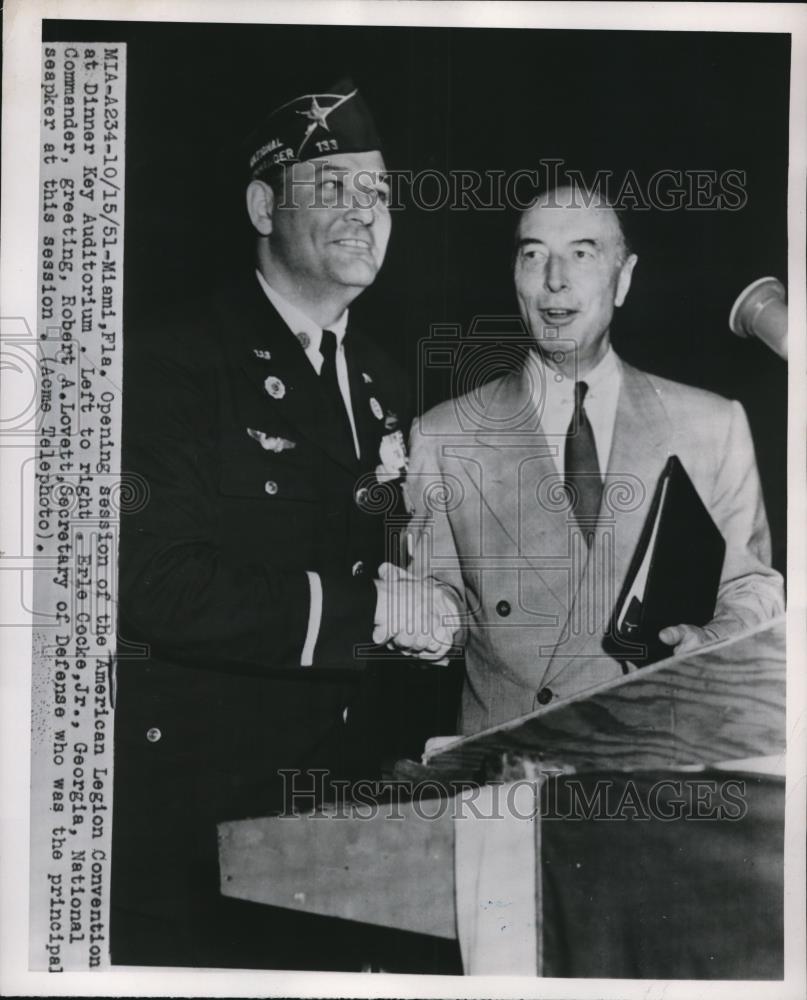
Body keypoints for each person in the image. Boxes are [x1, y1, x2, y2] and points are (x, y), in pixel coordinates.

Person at [111, 79, 450, 970]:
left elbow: (387, 568)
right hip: (198, 831)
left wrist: (433, 624)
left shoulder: (382, 381)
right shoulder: (176, 360)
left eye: (377, 193)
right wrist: (373, 613)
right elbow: (152, 583)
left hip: (342, 818)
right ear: (264, 208)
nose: (363, 212)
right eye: (330, 186)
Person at [388, 184, 784, 736]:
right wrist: (424, 622)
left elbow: (751, 588)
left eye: (582, 253)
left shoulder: (713, 424)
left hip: (659, 756)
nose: (555, 278)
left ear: (623, 279)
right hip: (509, 768)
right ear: (514, 276)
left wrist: (712, 639)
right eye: (533, 255)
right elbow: (443, 606)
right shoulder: (443, 434)